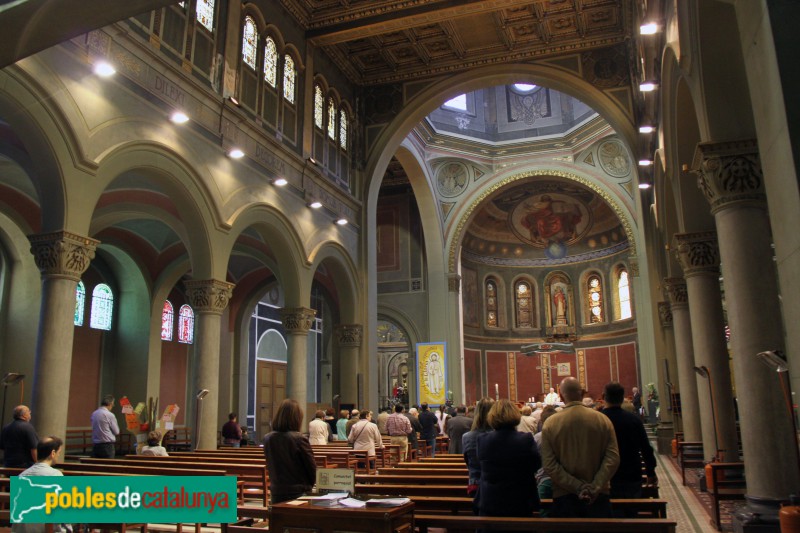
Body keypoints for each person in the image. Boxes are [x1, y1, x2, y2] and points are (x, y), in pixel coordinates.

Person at [540, 377, 619, 518]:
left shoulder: (550, 424)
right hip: (598, 495)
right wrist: (594, 486)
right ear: (582, 393)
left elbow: (549, 464)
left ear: (561, 395)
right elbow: (612, 458)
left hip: (564, 496)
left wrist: (577, 487)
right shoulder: (603, 420)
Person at [476, 399, 541, 519]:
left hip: (491, 501)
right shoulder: (525, 439)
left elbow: (481, 466)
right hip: (520, 500)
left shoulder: (483, 440)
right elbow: (536, 464)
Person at [602, 382, 657, 509]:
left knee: (608, 515)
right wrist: (650, 472)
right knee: (631, 512)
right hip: (631, 473)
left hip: (606, 476)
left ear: (604, 396)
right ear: (622, 398)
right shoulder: (633, 420)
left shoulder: (598, 420)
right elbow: (646, 448)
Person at [263, 399, 316, 504]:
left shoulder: (267, 438)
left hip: (276, 491)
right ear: (297, 418)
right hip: (298, 492)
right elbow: (311, 468)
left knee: (280, 519)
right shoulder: (299, 439)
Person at [13, 437, 67, 533]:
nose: (59, 455)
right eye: (59, 453)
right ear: (53, 453)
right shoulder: (56, 475)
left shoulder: (21, 476)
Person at [462, 397, 494, 513]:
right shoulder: (498, 436)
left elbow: (467, 461)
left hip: (475, 484)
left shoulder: (467, 437)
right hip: (495, 485)